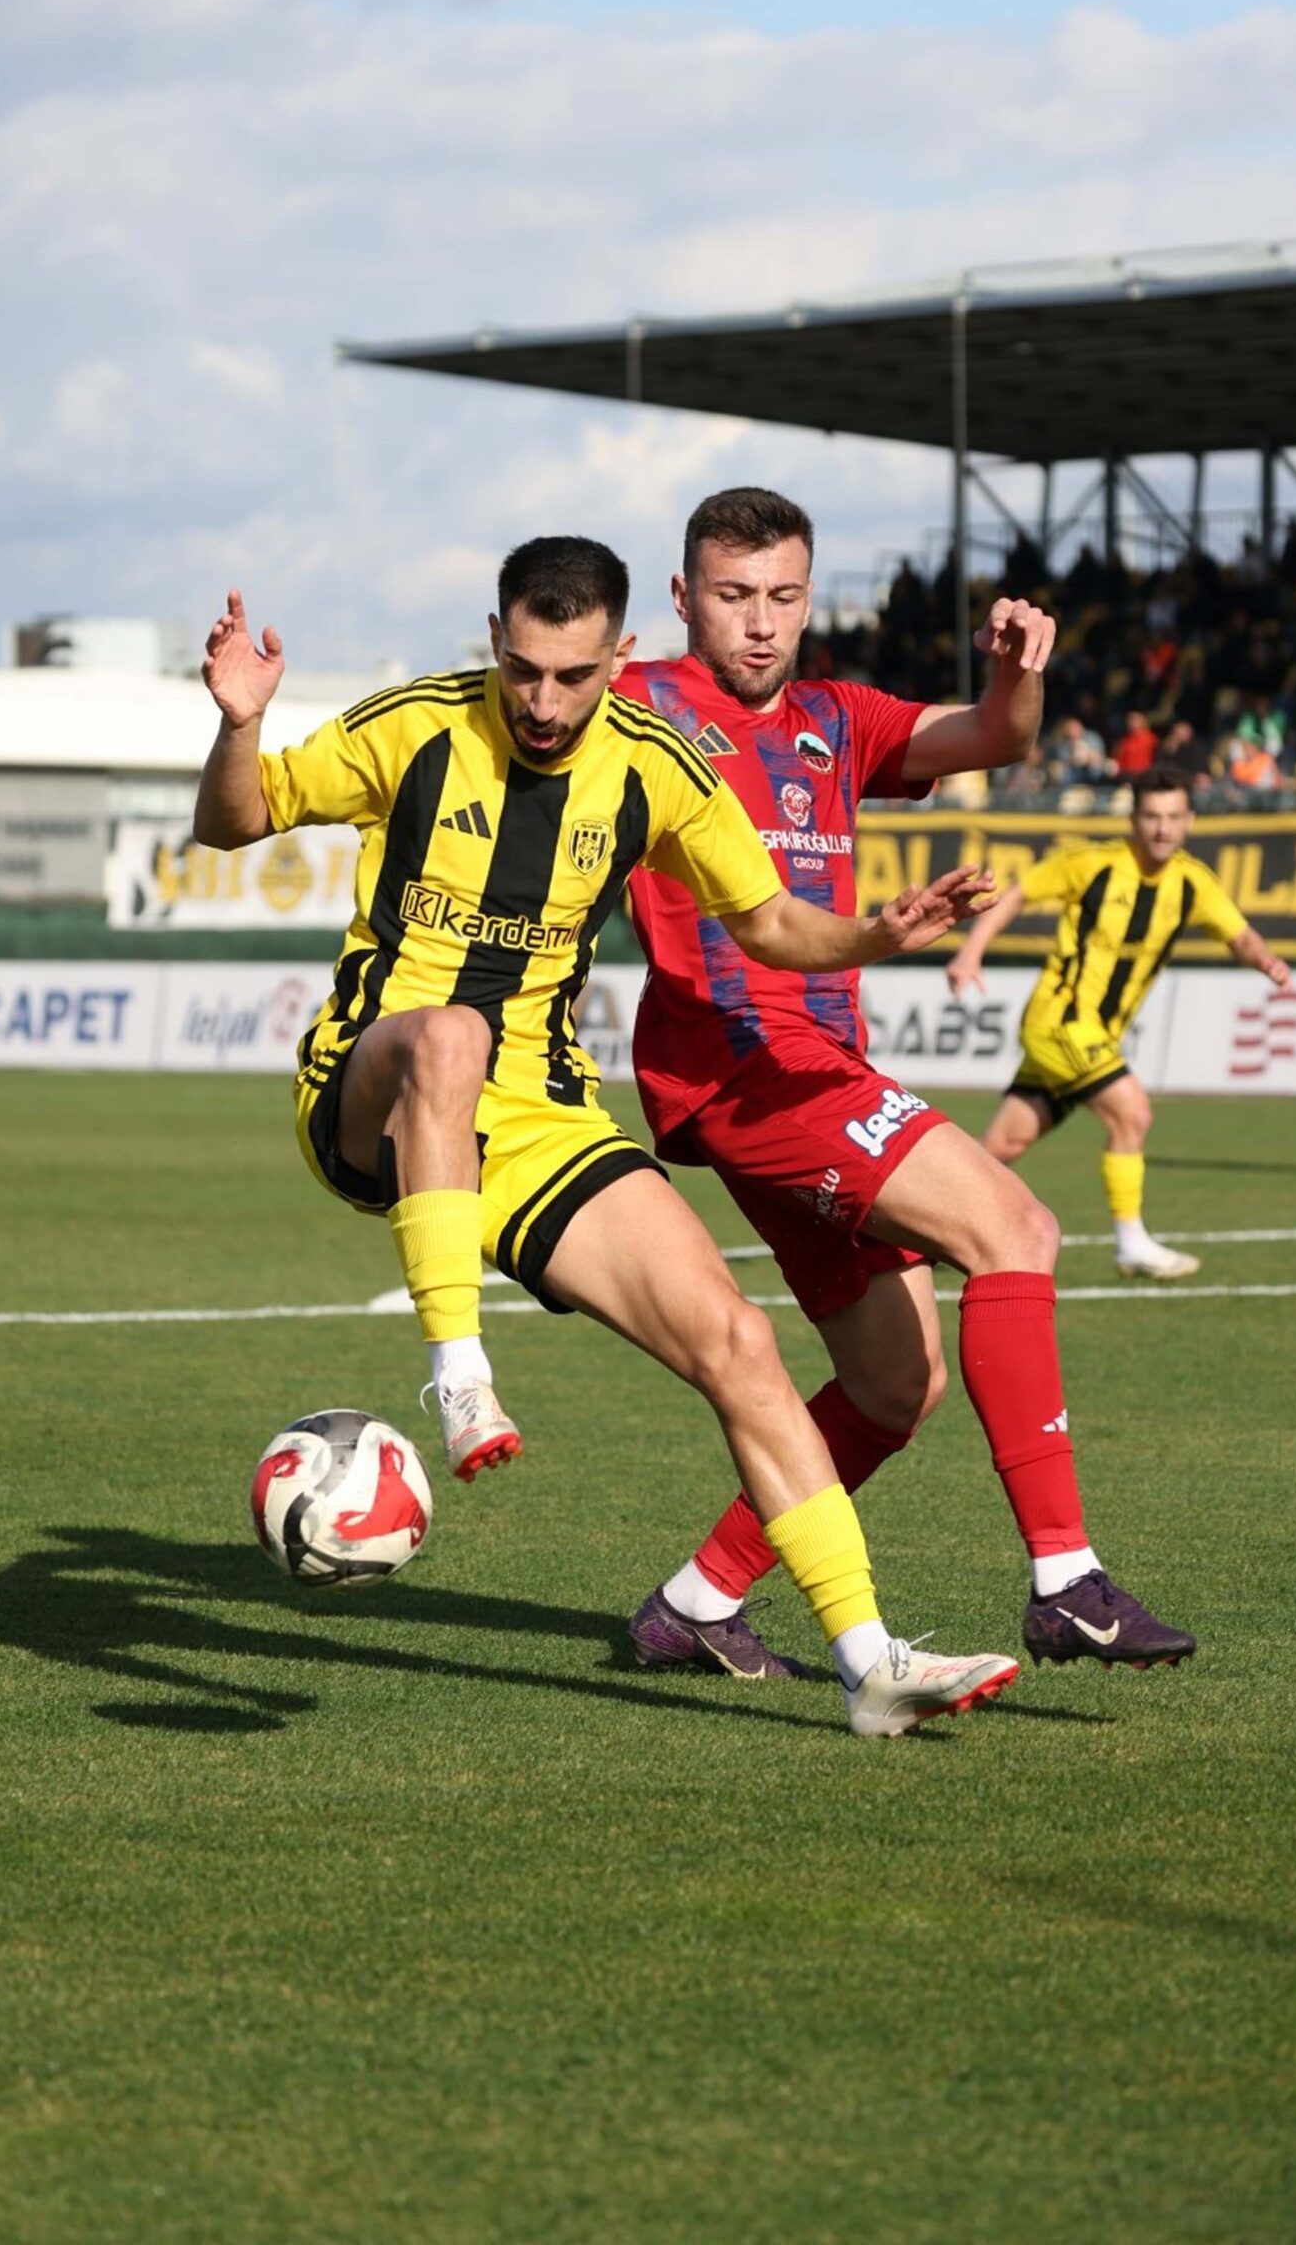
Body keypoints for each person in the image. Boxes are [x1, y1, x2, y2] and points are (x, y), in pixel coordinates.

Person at [194, 541, 1015, 1738]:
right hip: (374, 1086)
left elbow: (772, 923)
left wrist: (877, 936)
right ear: (494, 639)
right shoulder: (415, 726)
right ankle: (459, 1377)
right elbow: (234, 819)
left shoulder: (656, 765)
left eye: (574, 676)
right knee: (452, 1036)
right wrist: (238, 727)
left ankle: (868, 1662)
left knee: (739, 1343)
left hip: (539, 1117)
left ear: (620, 657)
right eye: (524, 669)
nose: (543, 701)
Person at [621, 487, 1196, 1685]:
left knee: (896, 1385)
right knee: (1016, 1225)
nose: (760, 622)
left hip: (815, 1067)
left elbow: (995, 735)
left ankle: (696, 1601)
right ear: (682, 598)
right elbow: (523, 715)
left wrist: (1018, 671)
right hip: (743, 1064)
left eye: (783, 595)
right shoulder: (638, 704)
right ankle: (1066, 1580)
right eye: (732, 596)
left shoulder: (837, 716)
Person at [949, 767, 1291, 1277]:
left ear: (1190, 821)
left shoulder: (1193, 882)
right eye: (1151, 816)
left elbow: (1239, 935)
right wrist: (970, 952)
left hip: (1093, 1035)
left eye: (1173, 817)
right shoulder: (1094, 865)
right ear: (1133, 819)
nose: (1162, 828)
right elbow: (1018, 893)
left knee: (1002, 1146)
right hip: (1061, 1023)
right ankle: (1131, 1243)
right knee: (1132, 1113)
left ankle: (914, 1231)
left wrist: (1265, 960)